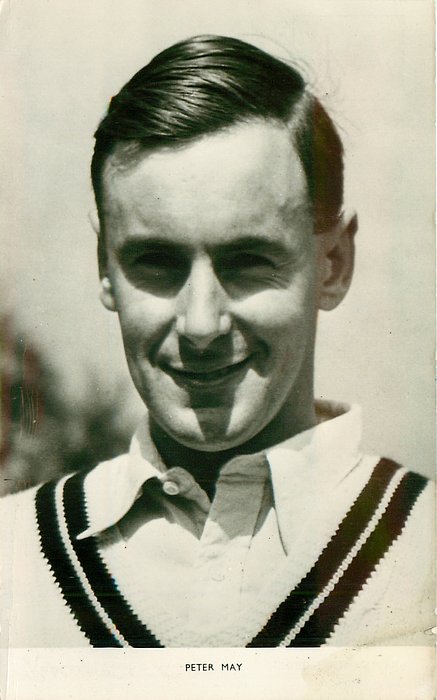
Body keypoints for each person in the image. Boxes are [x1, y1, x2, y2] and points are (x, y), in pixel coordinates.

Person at [1, 35, 433, 648]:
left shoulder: (422, 553)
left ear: (333, 264)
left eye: (249, 261)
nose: (201, 325)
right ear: (105, 267)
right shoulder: (13, 561)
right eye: (155, 262)